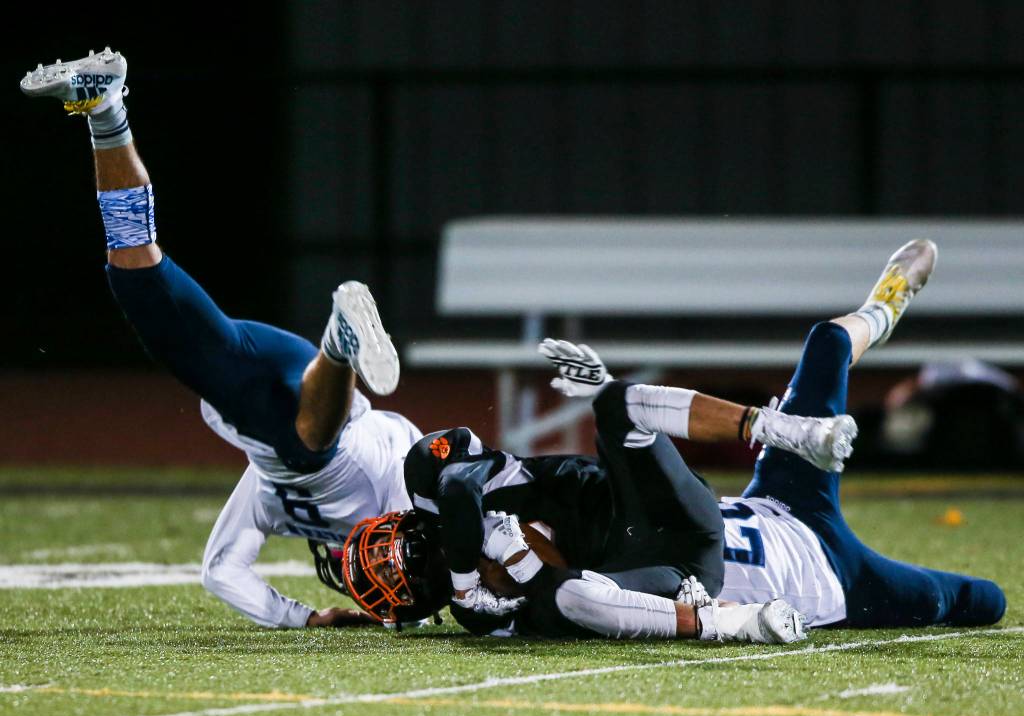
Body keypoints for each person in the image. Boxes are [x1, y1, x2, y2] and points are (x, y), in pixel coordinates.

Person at [338, 239, 1007, 638]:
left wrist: (462, 571)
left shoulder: (500, 509)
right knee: (982, 600)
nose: (498, 538)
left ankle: (879, 310)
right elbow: (578, 598)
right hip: (824, 578)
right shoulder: (530, 595)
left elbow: (449, 470)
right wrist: (727, 622)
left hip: (771, 498)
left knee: (828, 340)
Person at [21, 49, 422, 628]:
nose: (377, 572)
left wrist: (304, 619)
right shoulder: (399, 489)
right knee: (308, 447)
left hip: (261, 392)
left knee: (135, 268)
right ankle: (339, 342)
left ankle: (106, 111)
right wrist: (413, 608)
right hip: (324, 410)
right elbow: (429, 490)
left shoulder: (266, 498)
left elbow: (220, 571)